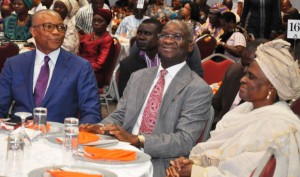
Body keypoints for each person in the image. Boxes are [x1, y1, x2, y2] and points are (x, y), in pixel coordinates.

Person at [79, 20, 213, 177]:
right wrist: (100, 128)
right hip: (120, 151)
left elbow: (184, 140)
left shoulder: (198, 89)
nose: (169, 40)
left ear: (190, 46)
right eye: (165, 35)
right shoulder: (139, 76)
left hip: (159, 164)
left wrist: (138, 140)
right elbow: (120, 114)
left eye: (177, 37)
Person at [165, 39, 300, 177]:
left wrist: (195, 172)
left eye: (251, 77)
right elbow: (219, 158)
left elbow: (243, 173)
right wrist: (192, 164)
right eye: (246, 73)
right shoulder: (244, 109)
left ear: (271, 87)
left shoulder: (279, 128)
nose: (243, 79)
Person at [0, 10, 101, 124]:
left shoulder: (80, 67)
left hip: (59, 138)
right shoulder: (14, 64)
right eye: (48, 27)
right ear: (33, 31)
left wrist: (80, 134)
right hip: (20, 135)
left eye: (60, 27)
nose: (56, 32)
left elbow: (91, 113)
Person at [211, 39, 268, 130]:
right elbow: (215, 105)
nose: (245, 70)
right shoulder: (233, 71)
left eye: (249, 65)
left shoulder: (265, 89)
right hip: (218, 127)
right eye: (243, 63)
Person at [78, 8, 113, 88]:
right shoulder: (91, 35)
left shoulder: (107, 39)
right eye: (94, 20)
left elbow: (99, 65)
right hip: (83, 69)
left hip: (94, 75)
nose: (96, 23)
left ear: (107, 24)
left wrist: (81, 67)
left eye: (100, 21)